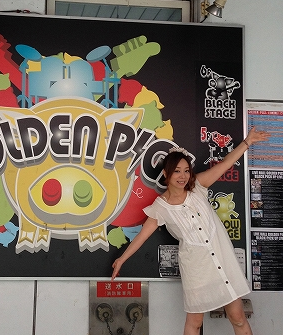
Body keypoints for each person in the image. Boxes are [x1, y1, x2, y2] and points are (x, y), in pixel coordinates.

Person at [111, 127, 270, 335]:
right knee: (194, 323)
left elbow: (225, 164)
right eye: (177, 171)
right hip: (196, 270)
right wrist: (121, 259)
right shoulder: (160, 207)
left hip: (223, 261)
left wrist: (247, 142)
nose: (183, 176)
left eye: (186, 170)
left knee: (238, 318)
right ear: (166, 173)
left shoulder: (198, 187)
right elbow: (142, 236)